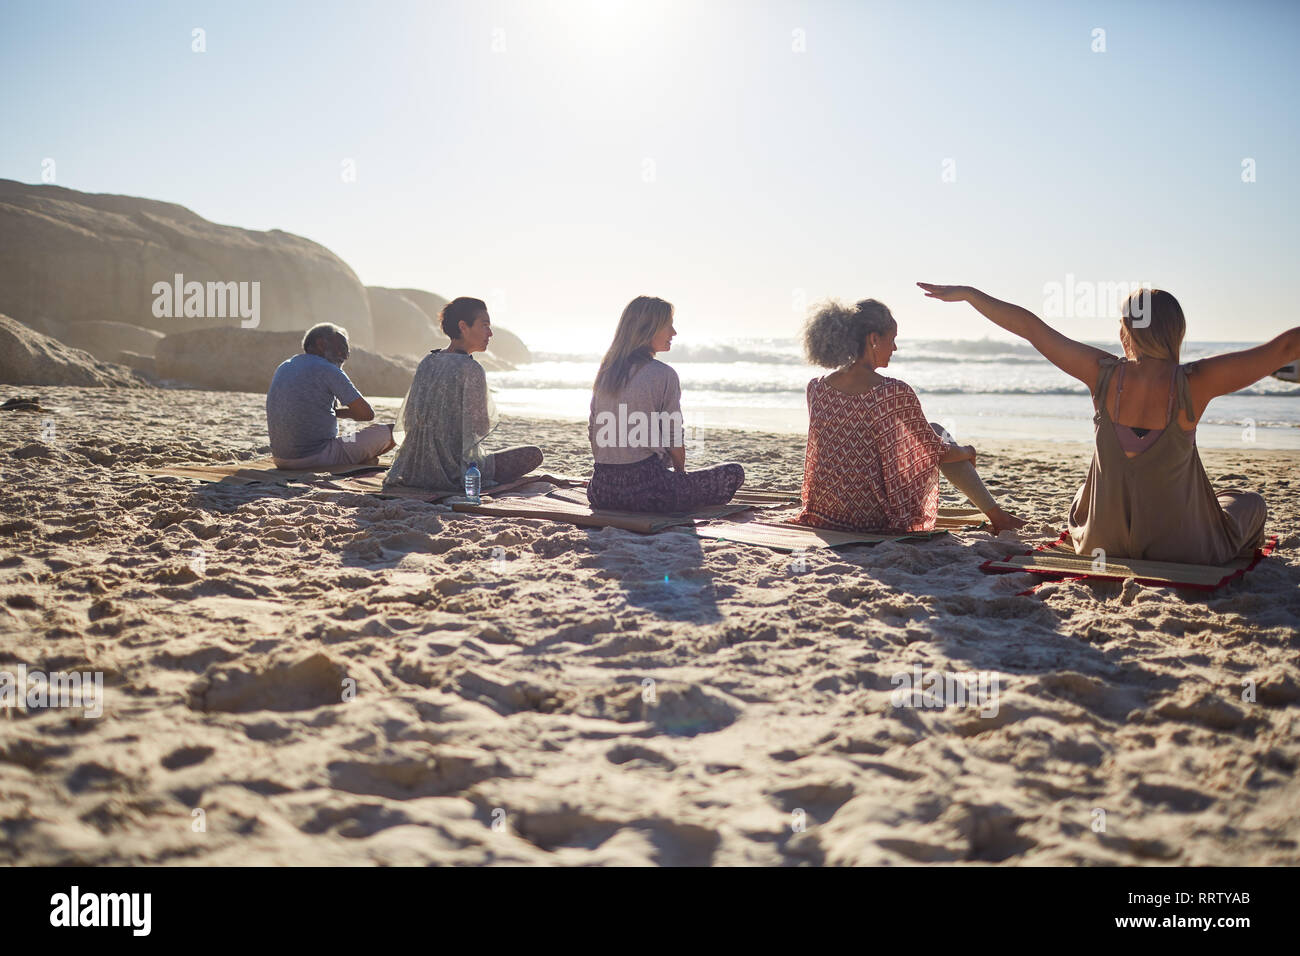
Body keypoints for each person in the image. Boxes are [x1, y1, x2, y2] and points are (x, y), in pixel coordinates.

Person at [918, 282, 1293, 564]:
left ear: (1126, 332)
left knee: (1086, 495)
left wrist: (970, 295)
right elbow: (1283, 350)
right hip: (1183, 548)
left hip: (1102, 540)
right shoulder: (1196, 382)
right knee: (1248, 502)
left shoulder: (1103, 375)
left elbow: (1030, 327)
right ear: (1176, 331)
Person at [795, 298, 1023, 535]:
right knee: (937, 432)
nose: (894, 349)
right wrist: (968, 451)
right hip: (870, 517)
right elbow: (937, 451)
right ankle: (998, 517)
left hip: (825, 511)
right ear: (874, 339)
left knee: (917, 438)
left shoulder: (816, 388)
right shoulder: (891, 392)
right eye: (892, 340)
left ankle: (998, 516)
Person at [587, 295, 744, 512]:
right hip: (647, 491)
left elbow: (593, 431)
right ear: (648, 329)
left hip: (601, 491)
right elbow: (673, 437)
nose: (674, 333)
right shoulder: (663, 374)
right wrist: (680, 477)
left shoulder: (606, 373)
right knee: (734, 472)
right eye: (668, 326)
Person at [383, 296, 542, 493]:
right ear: (463, 327)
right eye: (484, 325)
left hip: (413, 468)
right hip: (453, 472)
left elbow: (408, 419)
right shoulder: (471, 368)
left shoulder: (427, 361)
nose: (490, 333)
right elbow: (481, 426)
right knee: (534, 454)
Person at [266, 323, 395, 469]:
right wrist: (336, 413)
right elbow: (366, 414)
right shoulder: (326, 368)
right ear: (320, 344)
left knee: (350, 439)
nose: (344, 354)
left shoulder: (284, 366)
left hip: (281, 459)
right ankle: (361, 461)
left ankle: (360, 459)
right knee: (394, 431)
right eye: (341, 346)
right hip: (316, 457)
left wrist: (326, 412)